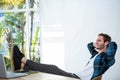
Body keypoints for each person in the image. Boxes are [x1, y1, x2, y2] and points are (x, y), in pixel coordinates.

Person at [12, 33, 117, 80]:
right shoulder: (96, 55)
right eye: (96, 40)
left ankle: (22, 59)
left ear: (107, 43)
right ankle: (22, 66)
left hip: (77, 79)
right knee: (50, 70)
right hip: (75, 75)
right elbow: (89, 45)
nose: (96, 42)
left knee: (53, 68)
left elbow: (114, 46)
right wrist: (96, 44)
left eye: (99, 40)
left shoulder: (107, 59)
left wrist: (107, 44)